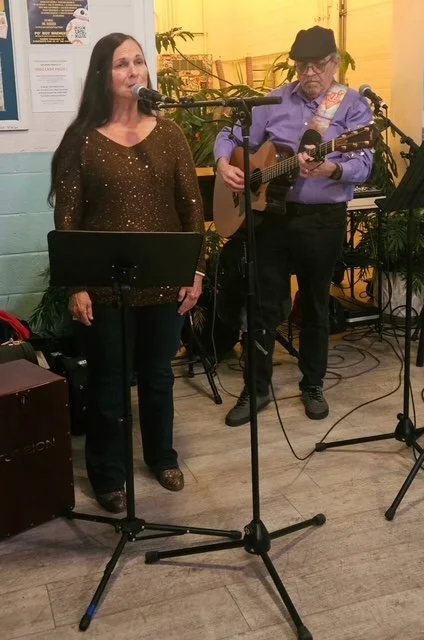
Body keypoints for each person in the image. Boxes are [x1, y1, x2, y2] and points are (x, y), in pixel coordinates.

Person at [50, 32, 205, 512]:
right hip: (104, 287)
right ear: (102, 74)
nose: (134, 70)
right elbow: (68, 219)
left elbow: (192, 209)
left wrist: (195, 272)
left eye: (139, 61)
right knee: (108, 383)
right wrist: (76, 285)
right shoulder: (81, 140)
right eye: (122, 63)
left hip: (163, 281)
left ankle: (162, 456)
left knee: (158, 376)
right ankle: (108, 475)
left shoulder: (170, 134)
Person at [214, 25, 374, 427]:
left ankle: (313, 384)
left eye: (317, 65)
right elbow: (230, 135)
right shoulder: (274, 101)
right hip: (271, 219)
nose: (309, 73)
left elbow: (364, 162)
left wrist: (333, 168)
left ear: (334, 63)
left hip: (321, 221)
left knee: (315, 305)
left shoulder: (351, 106)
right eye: (302, 65)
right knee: (262, 305)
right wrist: (224, 164)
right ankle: (256, 388)